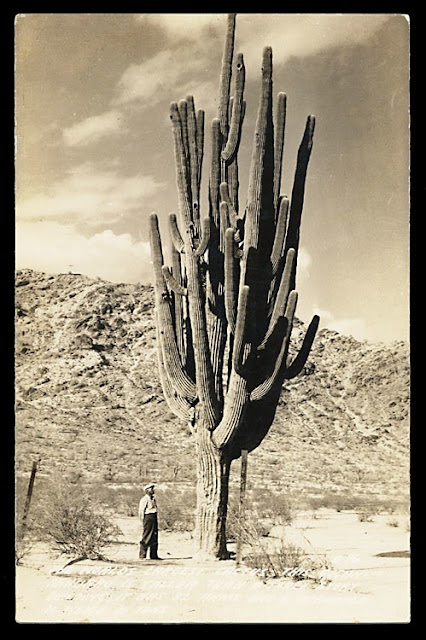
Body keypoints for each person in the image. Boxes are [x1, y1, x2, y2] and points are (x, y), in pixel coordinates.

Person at [138, 483, 161, 559]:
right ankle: (142, 555)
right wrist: (143, 521)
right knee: (147, 535)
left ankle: (154, 555)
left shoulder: (153, 499)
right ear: (147, 490)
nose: (153, 490)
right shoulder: (144, 499)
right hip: (148, 517)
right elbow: (141, 511)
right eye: (151, 489)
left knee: (154, 536)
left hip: (154, 517)